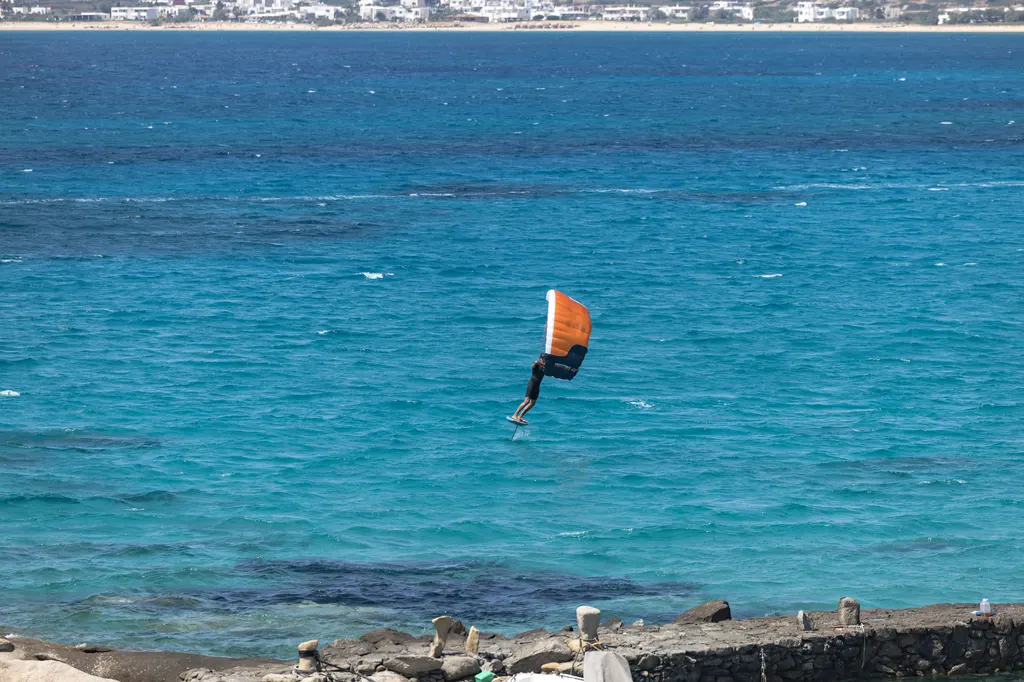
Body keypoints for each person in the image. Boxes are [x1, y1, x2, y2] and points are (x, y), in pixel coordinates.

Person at [510, 355, 545, 424]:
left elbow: (554, 368)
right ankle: (514, 415)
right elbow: (533, 365)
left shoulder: (545, 367)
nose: (544, 360)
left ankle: (520, 416)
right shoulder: (536, 365)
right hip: (532, 383)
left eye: (545, 359)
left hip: (537, 386)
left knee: (532, 403)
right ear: (540, 358)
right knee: (526, 401)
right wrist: (536, 362)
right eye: (543, 358)